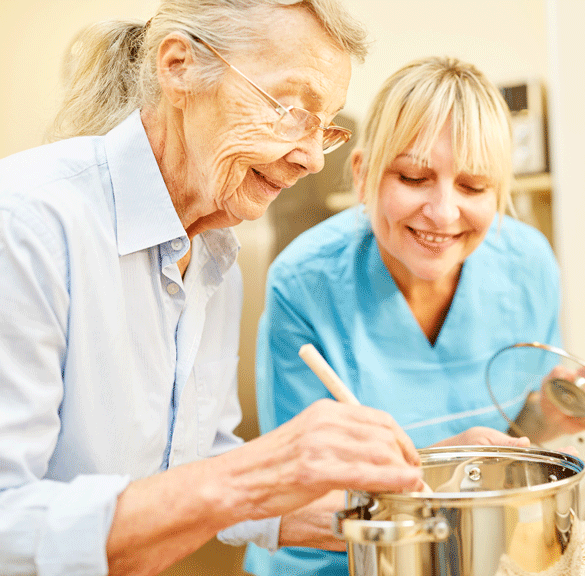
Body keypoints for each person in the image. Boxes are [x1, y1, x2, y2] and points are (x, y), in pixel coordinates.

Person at [0, 2, 433, 575]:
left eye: (321, 127)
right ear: (178, 67)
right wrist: (262, 472)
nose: (307, 158)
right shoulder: (26, 223)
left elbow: (195, 461)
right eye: (289, 108)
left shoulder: (214, 252)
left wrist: (394, 514)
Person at [246, 55, 585, 575]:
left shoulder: (528, 266)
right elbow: (291, 494)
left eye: (473, 187)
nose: (443, 213)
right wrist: (440, 468)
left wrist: (547, 418)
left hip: (474, 558)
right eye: (415, 177)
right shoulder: (307, 283)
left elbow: (510, 431)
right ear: (362, 174)